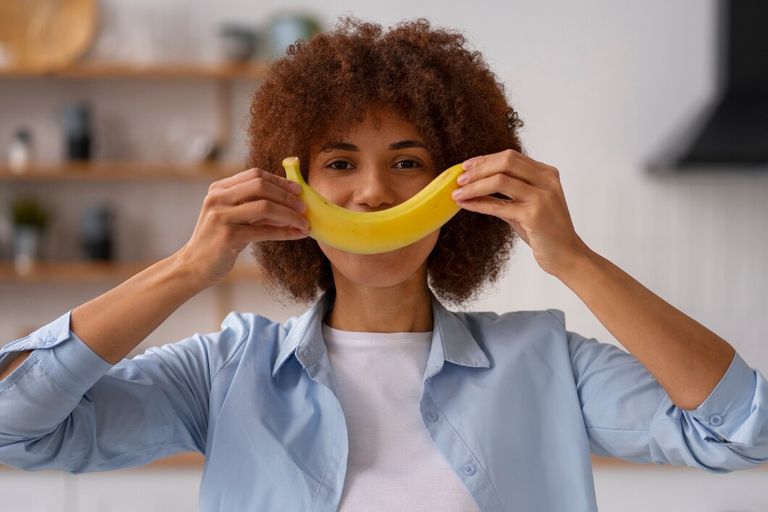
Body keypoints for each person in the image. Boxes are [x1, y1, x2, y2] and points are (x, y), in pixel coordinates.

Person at [0, 16, 766, 512]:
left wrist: (575, 260)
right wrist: (186, 270)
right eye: (340, 163)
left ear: (457, 185)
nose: (371, 194)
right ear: (293, 184)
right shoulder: (227, 370)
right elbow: (14, 429)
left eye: (408, 163)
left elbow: (741, 432)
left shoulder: (545, 364)